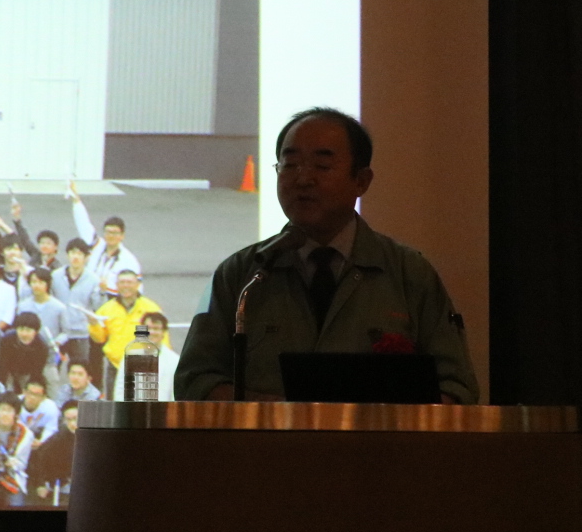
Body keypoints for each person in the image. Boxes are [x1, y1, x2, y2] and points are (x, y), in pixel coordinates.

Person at [175, 107, 480, 403]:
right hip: (270, 438)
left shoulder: (408, 273)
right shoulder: (243, 274)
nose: (303, 179)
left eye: (322, 166)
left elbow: (457, 387)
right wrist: (274, 413)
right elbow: (195, 380)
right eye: (290, 164)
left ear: (361, 181)